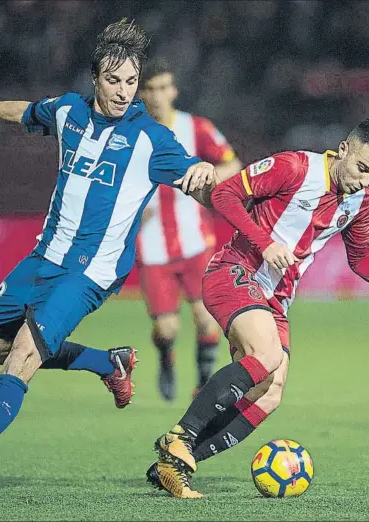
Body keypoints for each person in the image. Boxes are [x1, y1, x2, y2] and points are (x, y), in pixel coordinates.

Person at [0, 19, 216, 498]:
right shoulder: (68, 112)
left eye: (131, 82)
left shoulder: (151, 139)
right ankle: (108, 362)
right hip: (44, 256)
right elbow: (25, 111)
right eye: (114, 81)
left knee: (20, 356)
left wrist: (207, 176)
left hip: (91, 272)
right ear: (95, 80)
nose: (124, 92)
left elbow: (197, 180)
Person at [146, 119, 369, 498]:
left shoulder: (360, 201)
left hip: (276, 298)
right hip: (236, 270)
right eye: (362, 169)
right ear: (343, 149)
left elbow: (361, 256)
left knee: (271, 390)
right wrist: (265, 243)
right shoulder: (295, 167)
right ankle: (178, 438)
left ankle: (177, 464)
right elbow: (225, 196)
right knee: (264, 355)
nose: (366, 181)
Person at [137, 58, 242, 401]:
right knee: (166, 328)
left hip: (196, 242)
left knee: (206, 318)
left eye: (163, 88)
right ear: (141, 93)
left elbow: (233, 164)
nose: (157, 96)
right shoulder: (130, 133)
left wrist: (205, 177)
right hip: (153, 247)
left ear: (174, 91)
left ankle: (203, 380)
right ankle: (166, 357)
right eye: (150, 89)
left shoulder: (195, 127)